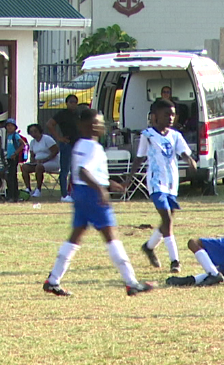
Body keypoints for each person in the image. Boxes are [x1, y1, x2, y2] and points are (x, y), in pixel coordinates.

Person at [42, 107, 156, 297]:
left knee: (75, 238)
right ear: (83, 126)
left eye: (100, 123)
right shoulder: (91, 146)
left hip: (81, 193)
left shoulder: (81, 145)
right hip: (91, 196)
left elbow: (88, 172)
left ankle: (53, 279)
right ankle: (131, 282)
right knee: (111, 237)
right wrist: (100, 189)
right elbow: (83, 172)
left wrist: (110, 184)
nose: (100, 126)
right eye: (96, 123)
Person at [136, 99, 194, 274]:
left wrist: (190, 160)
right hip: (155, 182)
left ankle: (149, 246)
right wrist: (129, 178)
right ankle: (175, 260)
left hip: (171, 183)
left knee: (167, 220)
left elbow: (183, 152)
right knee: (167, 219)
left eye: (173, 114)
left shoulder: (175, 135)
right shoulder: (147, 135)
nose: (171, 117)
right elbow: (140, 157)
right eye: (166, 114)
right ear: (155, 117)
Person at [44, 94, 81, 202]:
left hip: (77, 144)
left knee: (75, 170)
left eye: (75, 102)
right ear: (67, 103)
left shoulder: (78, 114)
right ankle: (64, 194)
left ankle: (73, 192)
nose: (73, 104)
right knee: (65, 170)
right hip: (67, 144)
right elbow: (50, 124)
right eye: (71, 102)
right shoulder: (62, 114)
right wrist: (59, 137)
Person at [20, 124, 60, 198]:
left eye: (35, 131)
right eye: (31, 132)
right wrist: (33, 161)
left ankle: (38, 190)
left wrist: (45, 159)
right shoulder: (32, 142)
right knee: (24, 167)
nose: (33, 134)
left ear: (39, 131)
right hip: (39, 163)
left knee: (39, 167)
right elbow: (32, 155)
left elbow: (56, 150)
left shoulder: (47, 139)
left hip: (53, 162)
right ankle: (28, 189)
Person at [1, 119, 27, 202]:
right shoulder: (8, 136)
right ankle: (12, 195)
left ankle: (13, 195)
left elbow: (23, 144)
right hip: (8, 158)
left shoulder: (15, 136)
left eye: (11, 126)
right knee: (10, 177)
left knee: (12, 177)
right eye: (8, 126)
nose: (9, 127)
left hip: (13, 158)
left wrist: (15, 153)